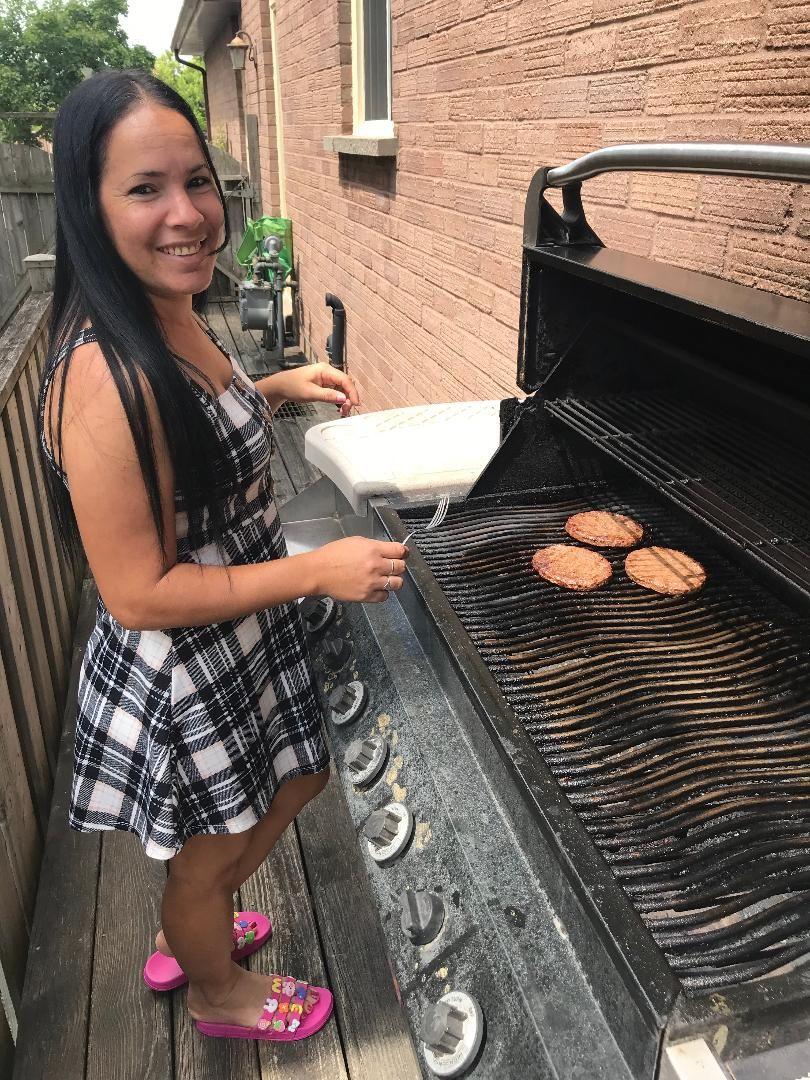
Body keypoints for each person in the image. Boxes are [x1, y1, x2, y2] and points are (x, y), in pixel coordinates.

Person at [38, 69, 408, 1044]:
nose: (189, 214)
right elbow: (137, 591)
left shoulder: (169, 309)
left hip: (236, 627)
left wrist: (273, 388)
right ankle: (212, 984)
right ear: (89, 202)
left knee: (292, 785)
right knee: (210, 855)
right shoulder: (99, 381)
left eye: (196, 180)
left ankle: (190, 928)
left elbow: (191, 436)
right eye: (145, 189)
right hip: (185, 658)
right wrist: (315, 572)